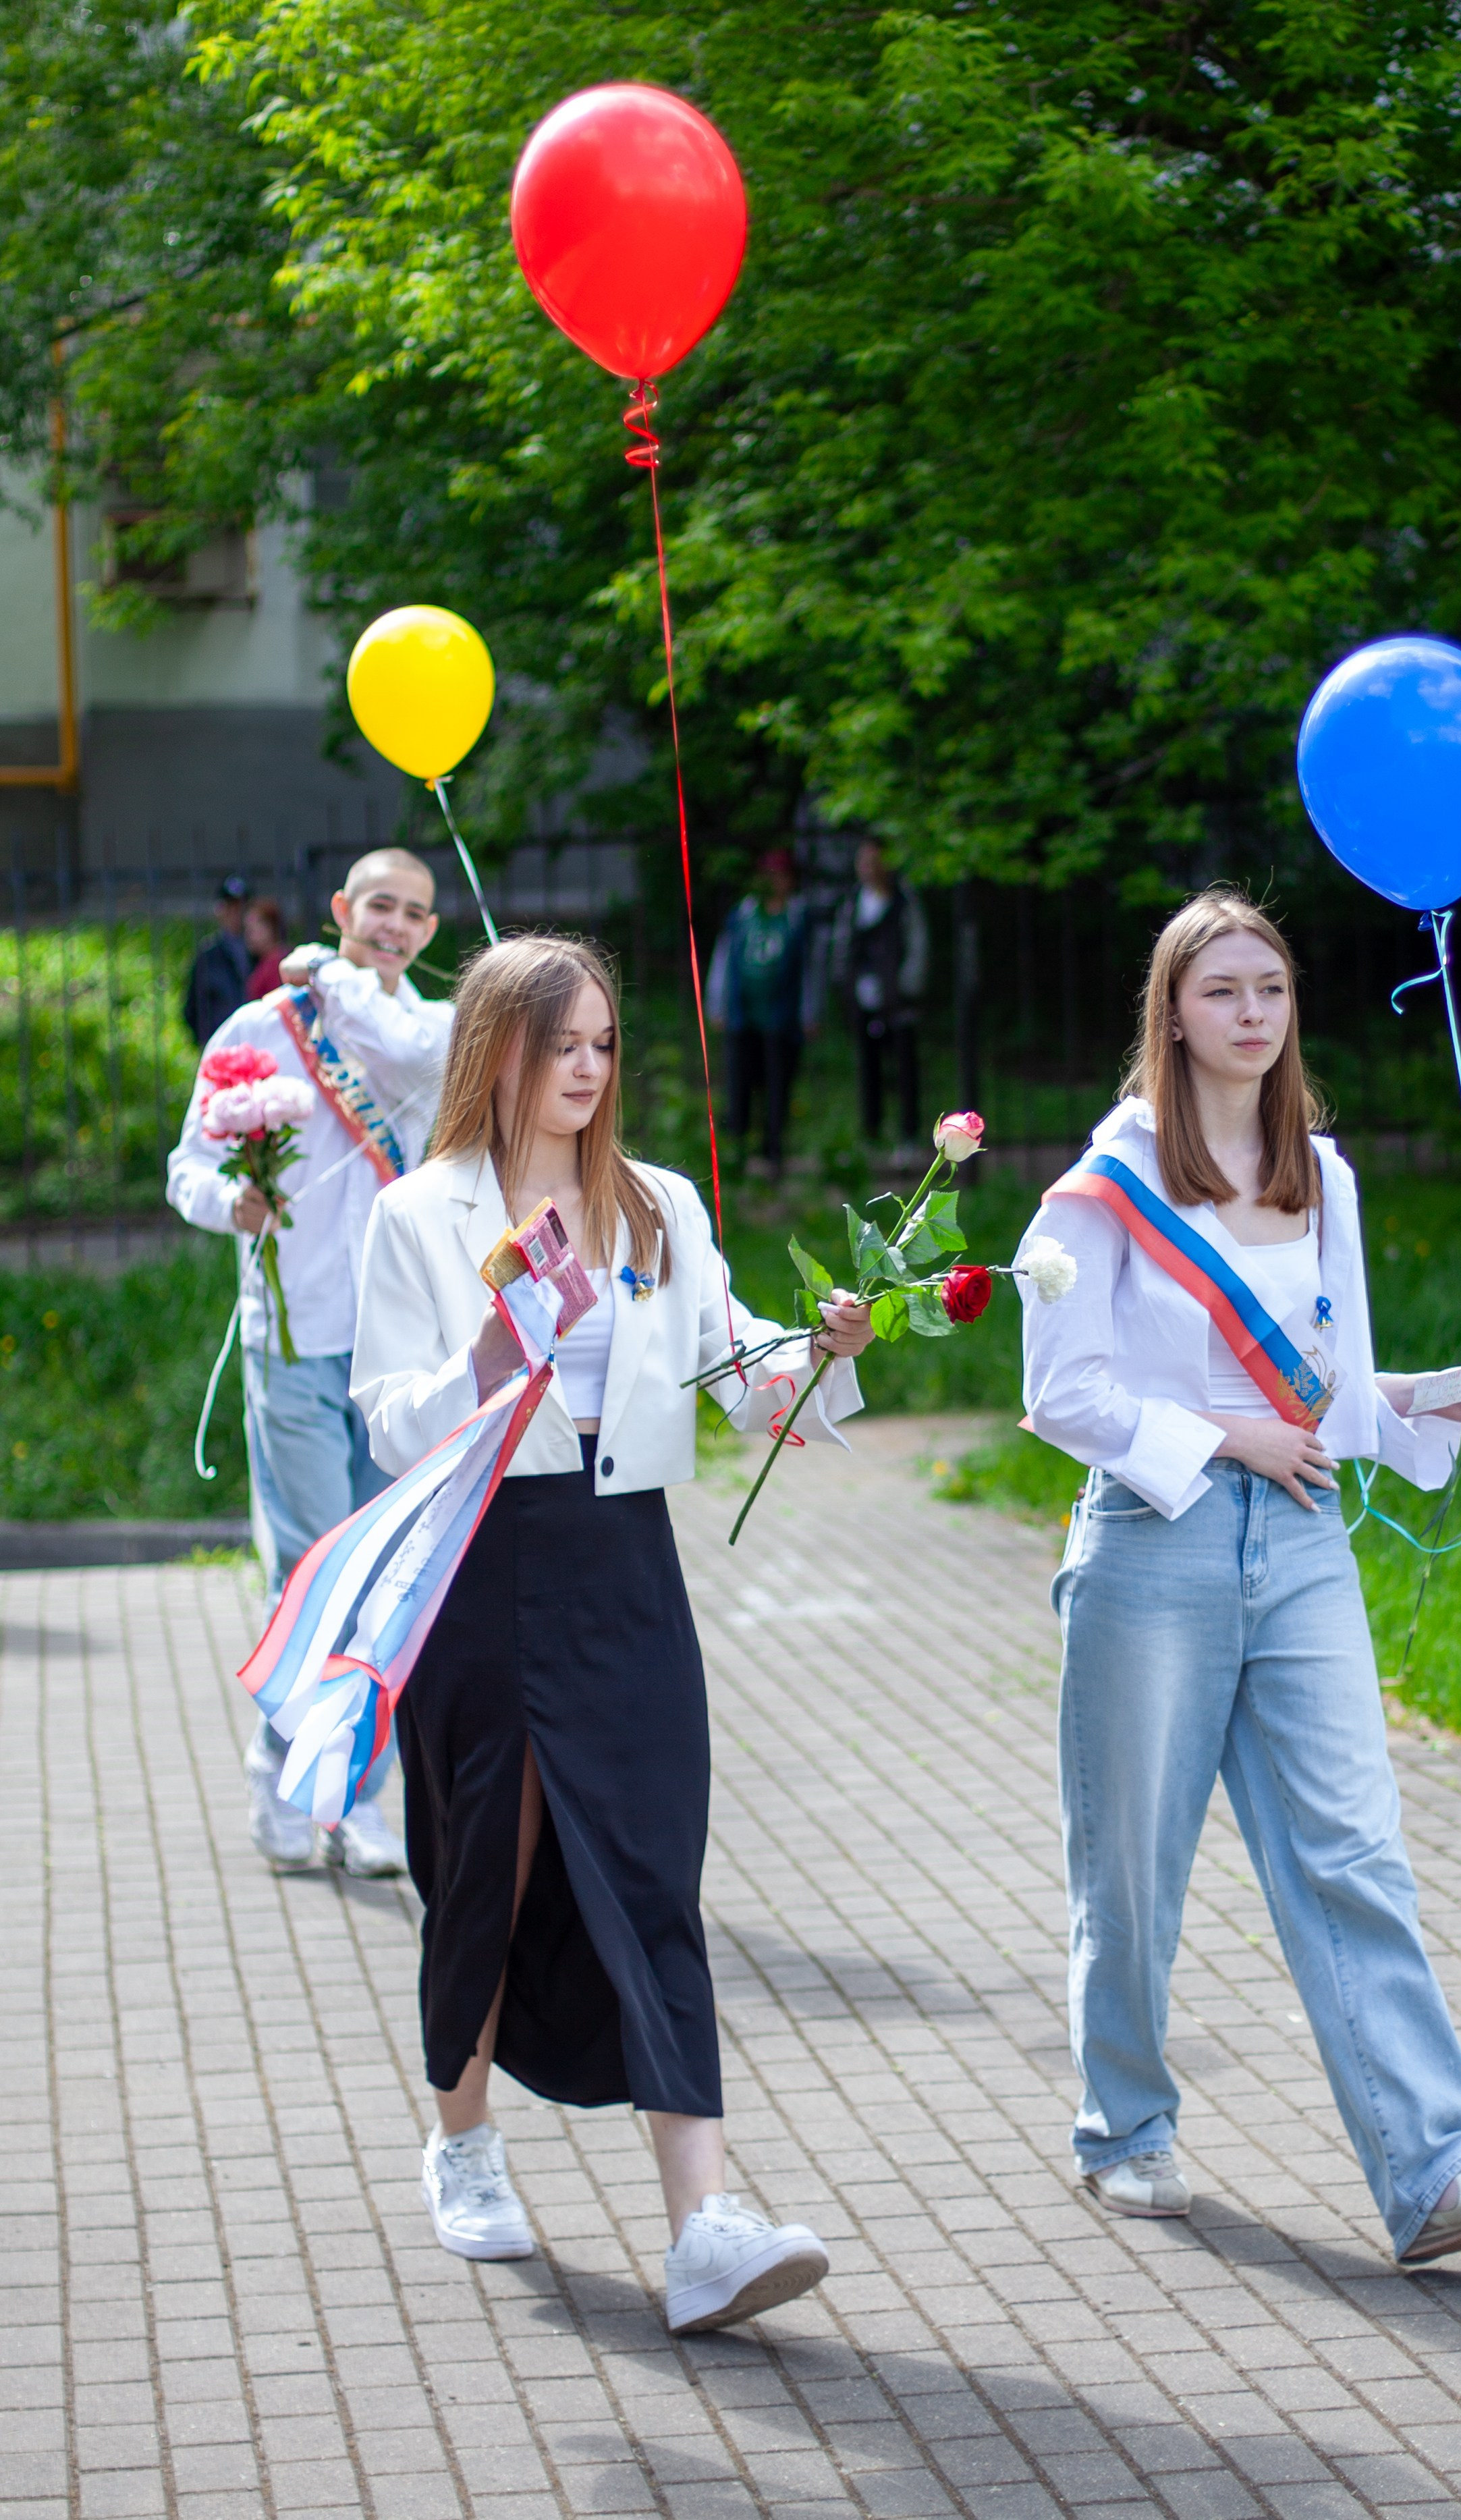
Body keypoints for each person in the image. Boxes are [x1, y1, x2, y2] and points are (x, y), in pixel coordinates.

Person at [1018, 887, 1461, 2268]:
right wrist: (1219, 1437)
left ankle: (1434, 2167)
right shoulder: (1098, 1186)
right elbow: (1057, 1392)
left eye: (1268, 989)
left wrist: (1434, 1399)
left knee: (1352, 1855)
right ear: (1172, 1015)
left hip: (1302, 1541)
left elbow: (1329, 1393)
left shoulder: (1328, 1174)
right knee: (1131, 1867)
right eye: (1220, 992)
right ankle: (1124, 2129)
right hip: (1153, 1544)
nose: (1249, 1014)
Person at [350, 935, 876, 2328]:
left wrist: (811, 1355)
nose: (584, 1070)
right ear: (493, 1050)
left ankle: (703, 2224)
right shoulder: (418, 1216)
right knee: (490, 1872)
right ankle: (462, 2139)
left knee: (649, 1874)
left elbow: (733, 1363)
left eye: (600, 1045)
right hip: (474, 1565)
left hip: (621, 1568)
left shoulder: (653, 1205)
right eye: (557, 1043)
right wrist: (480, 1357)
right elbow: (387, 1418)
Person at [167, 846, 452, 1877]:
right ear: (344, 907)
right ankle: (288, 1778)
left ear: (429, 931)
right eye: (379, 903)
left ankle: (351, 1800)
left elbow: (424, 1069)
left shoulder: (430, 1032)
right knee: (309, 1573)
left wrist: (331, 981)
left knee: (381, 1580)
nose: (395, 924)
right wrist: (229, 1202)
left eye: (416, 913)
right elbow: (185, 1167)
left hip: (397, 1346)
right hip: (289, 1337)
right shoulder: (254, 1031)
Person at [705, 848, 817, 1177]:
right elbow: (724, 959)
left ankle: (773, 1154)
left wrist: (810, 1013)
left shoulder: (797, 917)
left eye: (780, 875)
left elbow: (811, 969)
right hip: (744, 1017)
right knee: (740, 1085)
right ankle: (736, 1155)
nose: (773, 882)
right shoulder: (743, 914)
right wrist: (718, 1004)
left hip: (782, 1018)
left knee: (778, 1085)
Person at [829, 838, 927, 1156]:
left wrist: (905, 988)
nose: (869, 868)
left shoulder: (903, 901)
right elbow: (843, 946)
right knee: (868, 1070)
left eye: (875, 861)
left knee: (904, 1070)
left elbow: (917, 946)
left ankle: (908, 1137)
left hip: (898, 1002)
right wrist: (846, 984)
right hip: (863, 1000)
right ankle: (870, 1136)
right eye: (864, 861)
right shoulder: (853, 903)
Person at [183, 875, 252, 1045]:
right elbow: (192, 1008)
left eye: (241, 908)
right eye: (231, 908)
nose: (237, 914)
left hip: (257, 1043)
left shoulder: (261, 950)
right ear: (220, 910)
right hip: (221, 1044)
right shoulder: (208, 955)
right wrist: (208, 1042)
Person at [244, 896, 290, 999]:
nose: (248, 935)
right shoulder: (264, 962)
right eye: (247, 929)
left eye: (253, 929)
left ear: (270, 928)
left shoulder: (276, 964)